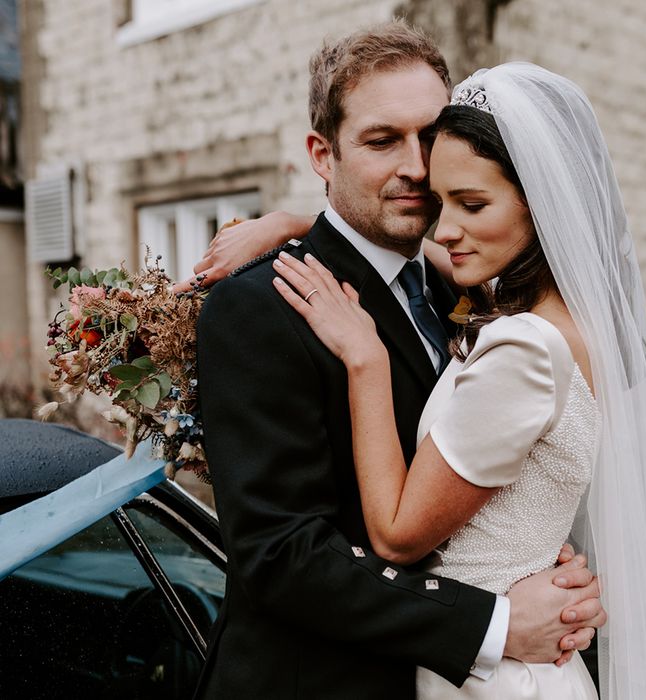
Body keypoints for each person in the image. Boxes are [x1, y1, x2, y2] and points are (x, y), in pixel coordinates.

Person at [194, 23, 604, 700]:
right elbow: (280, 556)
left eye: (431, 134)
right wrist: (497, 623)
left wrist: (547, 572)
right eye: (383, 140)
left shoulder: (463, 279)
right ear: (323, 155)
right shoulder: (259, 309)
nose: (418, 165)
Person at [268, 64, 646, 699]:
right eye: (441, 204)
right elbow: (417, 249)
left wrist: (367, 359)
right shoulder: (572, 323)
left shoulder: (525, 346)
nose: (444, 230)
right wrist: (293, 225)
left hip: (494, 675)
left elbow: (394, 533)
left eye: (471, 205)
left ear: (544, 203)